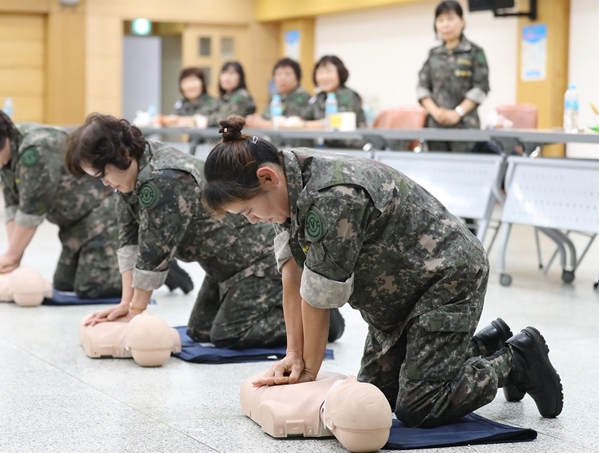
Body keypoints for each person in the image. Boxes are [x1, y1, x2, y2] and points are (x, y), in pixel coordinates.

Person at [201, 116, 564, 428]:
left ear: (267, 178)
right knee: (376, 395)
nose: (251, 220)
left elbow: (319, 296)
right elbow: (292, 275)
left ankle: (516, 360)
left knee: (419, 407)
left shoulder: (332, 195)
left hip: (446, 279)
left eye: (248, 211)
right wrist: (292, 353)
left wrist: (309, 373)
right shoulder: (286, 185)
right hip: (399, 296)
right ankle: (485, 344)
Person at [65, 114, 346, 349]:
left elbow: (154, 254)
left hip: (257, 262)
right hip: (222, 267)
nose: (104, 184)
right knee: (200, 331)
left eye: (103, 175)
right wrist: (126, 304)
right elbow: (129, 244)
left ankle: (326, 325)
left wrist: (134, 317)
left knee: (229, 334)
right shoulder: (129, 178)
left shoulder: (164, 178)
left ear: (123, 154)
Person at [0, 103, 193, 298]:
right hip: (75, 228)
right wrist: (11, 257)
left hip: (103, 217)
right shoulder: (5, 156)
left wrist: (11, 257)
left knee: (90, 288)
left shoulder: (34, 149)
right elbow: (13, 209)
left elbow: (31, 213)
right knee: (64, 284)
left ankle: (154, 269)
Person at [418, 0, 490, 152]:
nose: (445, 25)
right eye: (440, 20)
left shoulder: (474, 51)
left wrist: (457, 113)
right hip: (435, 127)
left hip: (465, 126)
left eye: (450, 19)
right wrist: (435, 112)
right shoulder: (433, 54)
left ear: (462, 21)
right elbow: (422, 87)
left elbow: (481, 87)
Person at [245, 58, 311, 129]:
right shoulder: (275, 96)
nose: (282, 78)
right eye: (278, 74)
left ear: (297, 77)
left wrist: (262, 123)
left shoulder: (302, 95)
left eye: (287, 74)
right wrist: (254, 119)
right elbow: (266, 115)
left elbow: (291, 123)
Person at [210, 61, 256, 125]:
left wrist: (206, 120)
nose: (226, 78)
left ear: (240, 77)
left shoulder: (241, 96)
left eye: (231, 74)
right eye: (224, 73)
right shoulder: (224, 97)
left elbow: (229, 119)